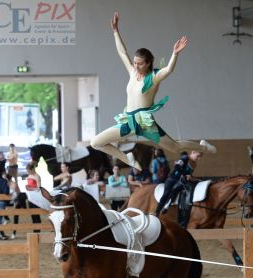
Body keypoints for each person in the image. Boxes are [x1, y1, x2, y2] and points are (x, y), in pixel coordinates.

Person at [90, 11, 216, 171]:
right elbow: (122, 52)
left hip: (145, 123)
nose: (136, 66)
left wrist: (175, 54)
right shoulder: (132, 72)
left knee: (176, 147)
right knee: (96, 143)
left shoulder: (154, 77)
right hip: (128, 121)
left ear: (148, 63)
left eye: (140, 63)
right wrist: (116, 31)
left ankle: (203, 147)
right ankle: (127, 158)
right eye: (135, 63)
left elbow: (169, 70)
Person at [155, 150, 203, 216]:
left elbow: (189, 174)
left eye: (200, 157)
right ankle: (157, 211)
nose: (198, 159)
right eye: (198, 156)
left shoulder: (194, 164)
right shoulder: (185, 158)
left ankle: (170, 206)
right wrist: (184, 174)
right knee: (166, 194)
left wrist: (192, 177)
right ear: (193, 152)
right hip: (173, 178)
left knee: (178, 189)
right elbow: (177, 167)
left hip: (182, 181)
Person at [25, 163, 41, 231]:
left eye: (29, 171)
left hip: (36, 196)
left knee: (36, 213)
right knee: (32, 213)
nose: (28, 172)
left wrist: (30, 189)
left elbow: (39, 188)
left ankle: (38, 229)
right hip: (30, 196)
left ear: (32, 169)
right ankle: (35, 229)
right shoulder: (29, 176)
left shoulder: (37, 176)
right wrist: (28, 188)